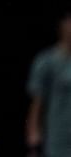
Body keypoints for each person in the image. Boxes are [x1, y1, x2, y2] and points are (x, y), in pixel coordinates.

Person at [25, 11, 71, 157]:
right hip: (57, 139)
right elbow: (37, 103)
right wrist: (33, 142)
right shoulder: (46, 61)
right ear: (62, 26)